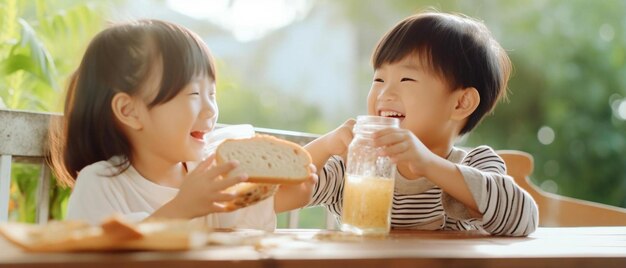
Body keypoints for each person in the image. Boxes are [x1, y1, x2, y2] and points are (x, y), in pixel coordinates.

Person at [49, 19, 316, 231]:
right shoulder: (100, 183)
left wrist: (295, 196)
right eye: (193, 95)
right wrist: (181, 208)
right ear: (129, 111)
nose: (211, 109)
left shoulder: (204, 174)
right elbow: (101, 253)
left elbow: (243, 215)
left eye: (212, 94)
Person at [305, 11, 538, 236]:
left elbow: (523, 218)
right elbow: (276, 198)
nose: (385, 93)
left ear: (461, 103)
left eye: (407, 79)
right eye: (378, 79)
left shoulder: (476, 164)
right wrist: (325, 145)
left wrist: (426, 163)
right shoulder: (354, 166)